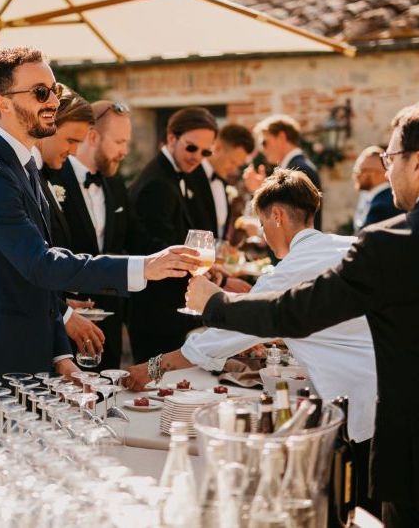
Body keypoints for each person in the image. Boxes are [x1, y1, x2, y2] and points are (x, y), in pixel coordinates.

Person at [186, 99, 419, 528]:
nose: (387, 168)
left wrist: (214, 303)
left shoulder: (388, 243)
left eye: (391, 157)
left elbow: (296, 311)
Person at [0, 46, 200, 435]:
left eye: (53, 89)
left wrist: (59, 352)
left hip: (25, 357)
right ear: (2, 104)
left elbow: (34, 282)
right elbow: (40, 264)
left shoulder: (24, 167)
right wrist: (143, 266)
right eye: (40, 92)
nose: (53, 101)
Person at [125, 168, 378, 513]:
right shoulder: (345, 245)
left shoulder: (293, 267)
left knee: (351, 508)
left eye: (261, 223)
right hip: (387, 395)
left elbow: (219, 340)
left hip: (360, 408)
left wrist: (151, 368)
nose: (262, 233)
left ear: (276, 215)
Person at [46, 99, 157, 369]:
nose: (124, 151)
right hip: (65, 329)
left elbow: (138, 239)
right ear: (93, 137)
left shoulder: (116, 184)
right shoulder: (50, 178)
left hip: (109, 329)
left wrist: (179, 258)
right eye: (119, 142)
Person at [128, 106, 218, 363]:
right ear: (171, 138)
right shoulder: (156, 183)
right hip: (156, 312)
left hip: (169, 308)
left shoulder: (176, 175)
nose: (198, 156)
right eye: (191, 148)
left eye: (206, 151)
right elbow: (158, 248)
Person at [36, 89, 107, 359]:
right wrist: (62, 312)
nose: (74, 151)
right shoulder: (20, 177)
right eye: (70, 140)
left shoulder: (44, 174)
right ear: (48, 126)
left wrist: (62, 302)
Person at [244, 114, 322, 229]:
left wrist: (260, 194)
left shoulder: (298, 170)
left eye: (264, 143)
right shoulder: (297, 167)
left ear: (281, 137)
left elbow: (288, 223)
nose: (262, 149)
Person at [186, 123, 255, 240]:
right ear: (217, 148)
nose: (234, 169)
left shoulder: (223, 182)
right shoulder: (189, 176)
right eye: (232, 162)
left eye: (238, 165)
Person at [352, 145, 400, 232]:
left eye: (361, 170)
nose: (356, 175)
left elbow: (366, 240)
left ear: (376, 173)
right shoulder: (374, 198)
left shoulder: (381, 206)